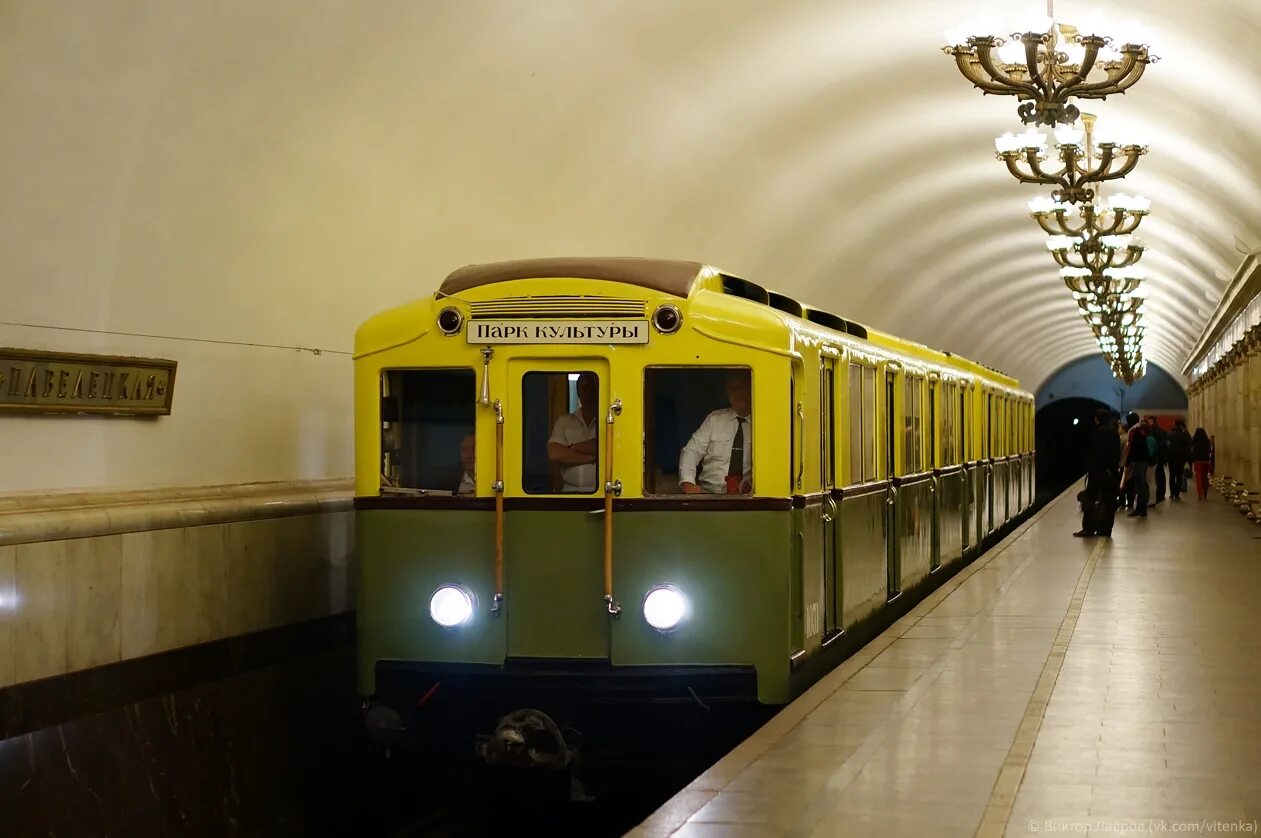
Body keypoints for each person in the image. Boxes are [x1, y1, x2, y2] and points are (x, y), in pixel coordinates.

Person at [678, 370, 753, 494]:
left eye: (742, 387)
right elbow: (691, 451)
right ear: (727, 392)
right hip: (709, 496)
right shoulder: (714, 420)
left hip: (747, 499)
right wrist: (688, 482)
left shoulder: (763, 424)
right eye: (732, 388)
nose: (738, 392)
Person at [547, 372, 599, 492]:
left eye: (592, 388)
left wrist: (572, 448)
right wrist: (591, 458)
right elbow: (554, 453)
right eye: (585, 388)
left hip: (602, 494)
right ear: (578, 392)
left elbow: (602, 445)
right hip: (569, 493)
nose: (589, 393)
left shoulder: (607, 421)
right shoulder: (564, 421)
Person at [1074, 407, 1121, 538]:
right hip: (1111, 472)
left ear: (1098, 419)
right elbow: (1117, 452)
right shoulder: (1114, 432)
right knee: (1109, 502)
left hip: (1097, 472)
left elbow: (1092, 453)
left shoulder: (1096, 433)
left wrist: (1090, 468)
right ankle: (1106, 530)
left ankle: (1088, 529)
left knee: (1090, 499)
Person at [1121, 412, 1149, 518]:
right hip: (1142, 461)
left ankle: (1140, 510)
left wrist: (1127, 462)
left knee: (1139, 486)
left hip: (1137, 461)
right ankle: (1142, 508)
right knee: (1142, 485)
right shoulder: (1141, 430)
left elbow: (1131, 448)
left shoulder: (1134, 431)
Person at [1166, 420, 1191, 500]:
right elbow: (1187, 448)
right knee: (1179, 476)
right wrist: (1186, 458)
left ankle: (1172, 493)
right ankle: (1177, 494)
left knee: (1172, 476)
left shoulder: (1170, 434)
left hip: (1171, 458)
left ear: (1175, 425)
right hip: (1181, 459)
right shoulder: (1184, 435)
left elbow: (1167, 446)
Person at [1190, 427, 1213, 500]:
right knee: (1205, 477)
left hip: (1197, 461)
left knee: (1198, 478)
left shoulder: (1194, 440)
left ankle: (1200, 494)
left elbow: (1192, 450)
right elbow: (1209, 451)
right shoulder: (1207, 441)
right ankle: (1205, 493)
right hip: (1205, 460)